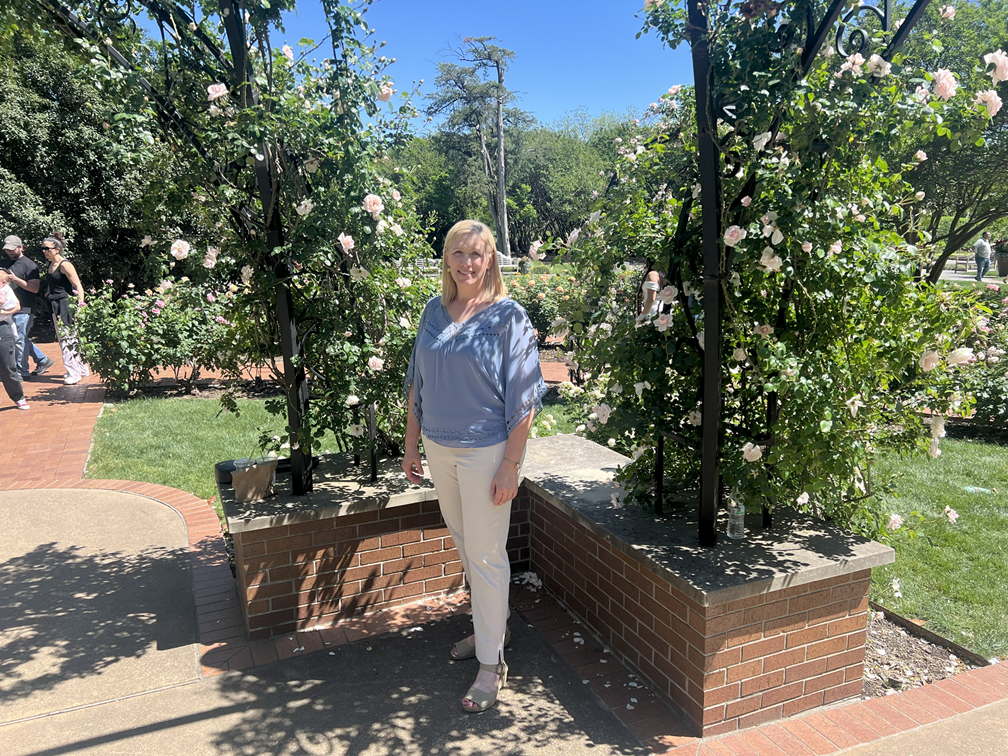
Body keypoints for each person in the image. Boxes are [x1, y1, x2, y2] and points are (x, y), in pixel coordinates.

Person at [401, 219, 547, 713]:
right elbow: (417, 383)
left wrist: (511, 465)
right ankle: (492, 629)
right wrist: (411, 446)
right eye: (458, 253)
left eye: (477, 254)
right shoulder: (433, 311)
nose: (467, 262)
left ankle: (491, 663)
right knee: (467, 546)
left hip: (486, 453)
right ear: (447, 258)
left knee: (485, 555)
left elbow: (524, 397)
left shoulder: (509, 316)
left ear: (490, 262)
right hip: (439, 449)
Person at [1, 235, 55, 378]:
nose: (9, 252)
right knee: (18, 338)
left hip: (24, 308)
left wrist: (15, 279)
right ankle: (42, 360)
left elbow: (34, 288)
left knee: (19, 340)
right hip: (6, 308)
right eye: (7, 249)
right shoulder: (3, 263)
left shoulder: (29, 265)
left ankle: (21, 372)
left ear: (21, 247)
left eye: (12, 249)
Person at [41, 233, 89, 385]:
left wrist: (80, 306)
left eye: (47, 248)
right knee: (68, 337)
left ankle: (74, 373)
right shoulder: (51, 265)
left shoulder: (65, 265)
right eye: (43, 248)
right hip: (55, 304)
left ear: (57, 249)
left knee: (67, 338)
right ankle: (82, 369)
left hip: (65, 304)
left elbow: (78, 286)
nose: (44, 251)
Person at [0, 280, 29, 410]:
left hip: (2, 326)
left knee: (7, 365)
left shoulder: (4, 287)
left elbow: (17, 306)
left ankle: (19, 397)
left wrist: (4, 312)